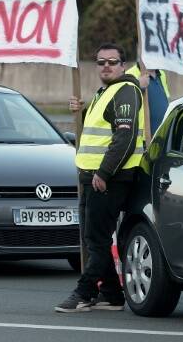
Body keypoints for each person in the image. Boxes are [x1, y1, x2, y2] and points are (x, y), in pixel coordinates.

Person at [55, 43, 144, 313]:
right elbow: (100, 129)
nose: (106, 66)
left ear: (123, 65)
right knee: (91, 236)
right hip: (91, 177)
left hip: (107, 179)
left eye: (112, 62)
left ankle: (85, 292)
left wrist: (104, 173)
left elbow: (124, 138)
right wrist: (80, 111)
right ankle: (111, 294)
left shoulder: (126, 91)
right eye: (101, 61)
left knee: (97, 237)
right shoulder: (105, 92)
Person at [127, 62, 169, 134]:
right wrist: (137, 84)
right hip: (143, 139)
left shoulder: (162, 74)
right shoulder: (129, 74)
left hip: (162, 136)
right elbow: (124, 102)